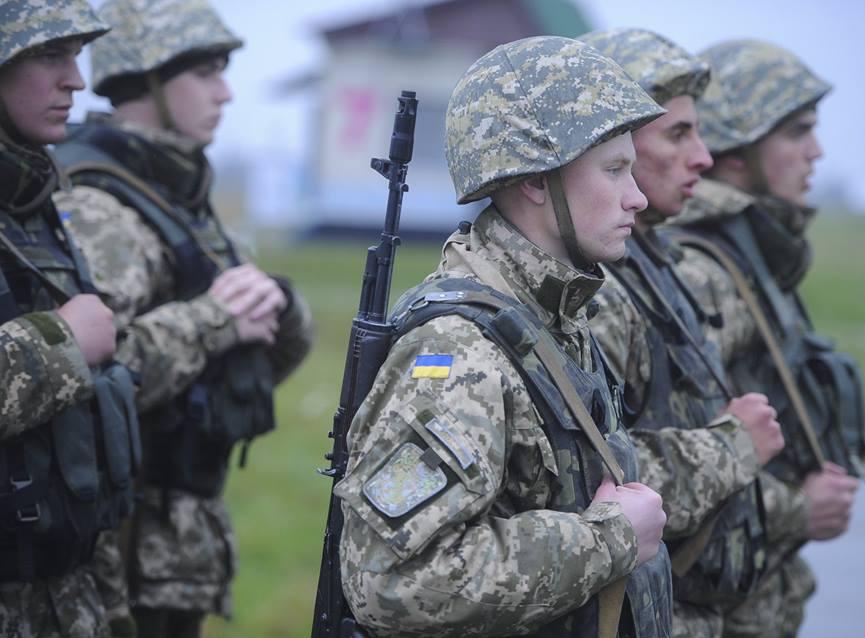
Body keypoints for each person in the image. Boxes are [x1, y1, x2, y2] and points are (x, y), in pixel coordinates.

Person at [335, 35, 678, 637]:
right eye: (614, 170)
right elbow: (395, 582)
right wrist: (611, 538)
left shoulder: (551, 317)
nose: (638, 197)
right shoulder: (459, 349)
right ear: (536, 180)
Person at [51, 1, 315, 636]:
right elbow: (84, 377)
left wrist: (278, 310)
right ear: (143, 81)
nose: (225, 93)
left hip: (178, 548)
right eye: (204, 73)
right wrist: (213, 321)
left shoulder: (177, 193)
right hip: (117, 553)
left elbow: (246, 366)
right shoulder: (98, 207)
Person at [580, 28, 783, 637]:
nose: (704, 157)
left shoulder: (654, 265)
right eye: (678, 134)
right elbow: (594, 482)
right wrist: (735, 446)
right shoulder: (597, 293)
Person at [669, 39, 865, 638]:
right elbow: (668, 457)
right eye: (797, 132)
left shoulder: (746, 251)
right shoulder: (699, 271)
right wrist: (798, 509)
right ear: (737, 150)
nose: (816, 152)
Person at [0, 2, 140, 636]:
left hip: (64, 598)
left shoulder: (33, 200)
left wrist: (109, 609)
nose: (77, 81)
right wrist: (61, 344)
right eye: (50, 56)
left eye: (76, 56)